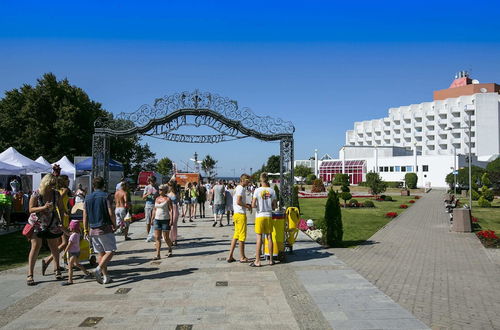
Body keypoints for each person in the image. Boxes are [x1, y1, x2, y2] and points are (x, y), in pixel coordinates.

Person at [26, 174, 65, 286]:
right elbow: (31, 209)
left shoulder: (56, 194)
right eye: (51, 184)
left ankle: (57, 269)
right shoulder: (36, 193)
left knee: (54, 246)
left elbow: (61, 208)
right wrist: (43, 207)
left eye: (54, 184)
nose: (52, 187)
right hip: (37, 223)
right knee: (35, 247)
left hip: (51, 222)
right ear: (45, 183)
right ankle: (30, 274)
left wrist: (61, 220)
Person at [83, 176, 117, 285]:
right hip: (104, 227)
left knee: (101, 253)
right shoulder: (106, 196)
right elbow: (110, 212)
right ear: (104, 185)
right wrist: (114, 224)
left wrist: (85, 229)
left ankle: (106, 276)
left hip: (92, 228)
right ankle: (98, 269)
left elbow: (85, 215)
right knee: (111, 250)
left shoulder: (87, 198)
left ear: (93, 186)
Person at [42, 175, 71, 272]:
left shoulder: (58, 191)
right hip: (60, 216)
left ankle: (56, 266)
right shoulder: (63, 190)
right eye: (67, 180)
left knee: (58, 243)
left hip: (60, 214)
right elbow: (59, 201)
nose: (69, 181)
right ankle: (48, 260)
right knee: (64, 243)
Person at [250, 173, 277, 267]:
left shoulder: (257, 191)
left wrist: (259, 206)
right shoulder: (272, 191)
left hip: (260, 215)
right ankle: (271, 260)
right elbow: (275, 206)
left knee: (259, 238)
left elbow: (253, 205)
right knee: (269, 237)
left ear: (260, 180)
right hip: (269, 215)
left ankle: (257, 261)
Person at [227, 174, 251, 263]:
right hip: (240, 214)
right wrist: (247, 206)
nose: (249, 183)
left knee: (236, 235)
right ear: (243, 180)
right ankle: (242, 257)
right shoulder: (241, 188)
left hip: (236, 213)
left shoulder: (237, 188)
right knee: (242, 236)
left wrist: (246, 204)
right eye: (247, 181)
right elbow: (238, 201)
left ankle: (230, 255)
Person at [61, 220, 92, 286]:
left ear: (72, 228)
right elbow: (68, 234)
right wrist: (62, 229)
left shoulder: (73, 236)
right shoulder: (77, 234)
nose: (69, 227)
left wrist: (64, 253)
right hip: (77, 252)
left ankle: (70, 280)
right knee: (77, 264)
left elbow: (69, 245)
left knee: (70, 266)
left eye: (70, 226)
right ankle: (87, 273)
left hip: (73, 253)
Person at [152, 184, 174, 259]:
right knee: (157, 237)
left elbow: (171, 210)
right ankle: (157, 254)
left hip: (165, 219)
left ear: (165, 190)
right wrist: (152, 218)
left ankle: (170, 248)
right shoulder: (157, 198)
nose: (159, 191)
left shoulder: (168, 199)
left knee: (166, 237)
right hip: (157, 220)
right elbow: (155, 209)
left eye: (161, 189)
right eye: (159, 189)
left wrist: (171, 219)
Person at [143, 176, 158, 242]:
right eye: (152, 182)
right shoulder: (147, 187)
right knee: (148, 221)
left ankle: (154, 235)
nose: (153, 183)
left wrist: (156, 196)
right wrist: (148, 194)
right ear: (150, 181)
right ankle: (148, 235)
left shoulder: (157, 187)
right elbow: (143, 197)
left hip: (155, 205)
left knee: (155, 221)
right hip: (148, 205)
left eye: (154, 181)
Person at [167, 180, 179, 246]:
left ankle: (174, 239)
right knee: (169, 224)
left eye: (170, 185)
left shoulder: (176, 193)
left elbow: (179, 201)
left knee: (173, 224)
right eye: (169, 185)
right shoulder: (167, 193)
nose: (169, 187)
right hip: (168, 209)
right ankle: (170, 239)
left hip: (174, 208)